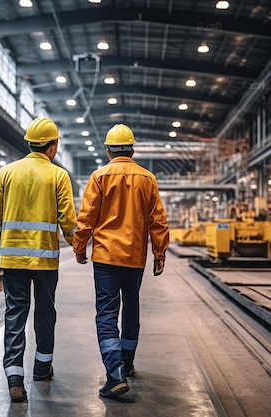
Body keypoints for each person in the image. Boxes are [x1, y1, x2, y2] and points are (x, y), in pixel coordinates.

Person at [73, 124, 169, 398]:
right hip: (135, 256)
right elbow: (157, 219)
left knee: (106, 311)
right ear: (133, 150)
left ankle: (114, 373)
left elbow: (87, 216)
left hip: (105, 257)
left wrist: (80, 246)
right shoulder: (147, 178)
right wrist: (159, 252)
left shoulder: (99, 176)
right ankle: (127, 363)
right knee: (131, 307)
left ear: (108, 151)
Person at [0, 117, 76, 403]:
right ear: (53, 147)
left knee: (15, 314)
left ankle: (15, 379)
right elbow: (67, 218)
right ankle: (41, 367)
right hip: (45, 262)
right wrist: (77, 242)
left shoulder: (7, 172)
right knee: (45, 313)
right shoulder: (58, 175)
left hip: (12, 259)